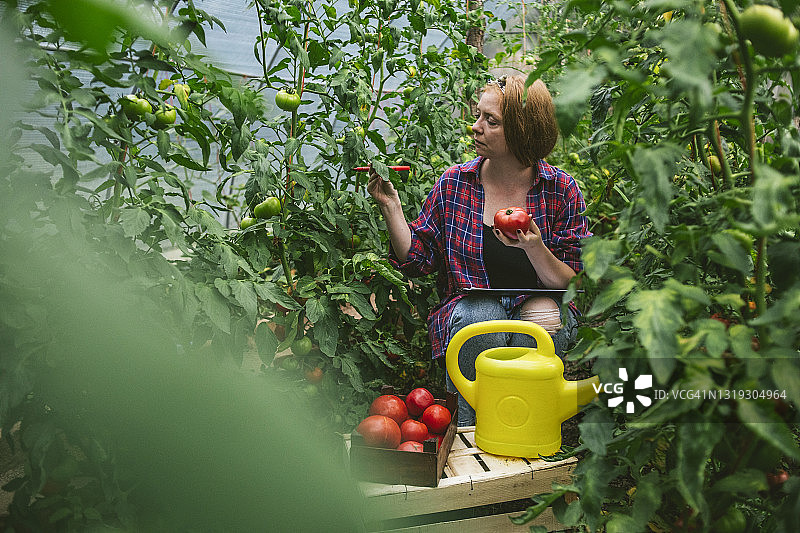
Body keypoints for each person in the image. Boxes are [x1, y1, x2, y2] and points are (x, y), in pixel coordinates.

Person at [367, 75, 591, 426]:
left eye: (491, 121)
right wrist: (391, 208)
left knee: (545, 316)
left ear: (521, 130)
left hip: (542, 301)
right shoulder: (456, 184)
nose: (476, 127)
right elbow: (418, 259)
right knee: (479, 318)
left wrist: (534, 248)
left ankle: (530, 430)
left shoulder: (560, 189)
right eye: (478, 116)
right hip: (472, 306)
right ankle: (472, 434)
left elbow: (570, 282)